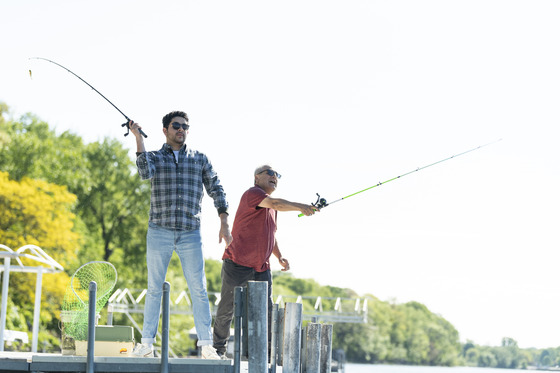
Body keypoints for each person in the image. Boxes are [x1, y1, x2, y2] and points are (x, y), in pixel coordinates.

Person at [129, 111, 232, 359]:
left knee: (199, 289)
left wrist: (224, 220)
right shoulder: (154, 157)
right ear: (165, 130)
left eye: (185, 126)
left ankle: (206, 345)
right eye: (176, 126)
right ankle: (146, 344)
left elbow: (216, 187)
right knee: (154, 289)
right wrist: (138, 138)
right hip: (159, 231)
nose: (181, 130)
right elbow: (145, 173)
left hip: (190, 233)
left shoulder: (199, 159)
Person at [212, 165, 318, 358]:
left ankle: (261, 355)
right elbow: (276, 203)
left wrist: (279, 256)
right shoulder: (253, 193)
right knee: (227, 309)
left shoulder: (271, 208)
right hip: (237, 263)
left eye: (277, 175)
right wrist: (301, 206)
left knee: (265, 313)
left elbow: (271, 234)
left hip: (261, 268)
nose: (275, 177)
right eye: (270, 173)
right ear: (257, 177)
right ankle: (217, 350)